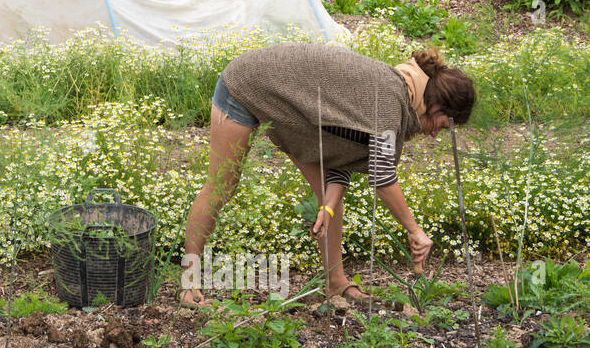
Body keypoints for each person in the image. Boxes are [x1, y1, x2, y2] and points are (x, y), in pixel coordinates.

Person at [179, 43, 476, 307]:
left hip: (287, 97)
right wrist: (415, 230)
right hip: (246, 84)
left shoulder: (398, 95)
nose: (437, 133)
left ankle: (336, 283)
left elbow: (338, 156)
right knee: (221, 186)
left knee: (328, 199)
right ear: (439, 103)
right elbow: (383, 178)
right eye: (443, 124)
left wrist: (328, 205)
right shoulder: (391, 101)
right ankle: (188, 282)